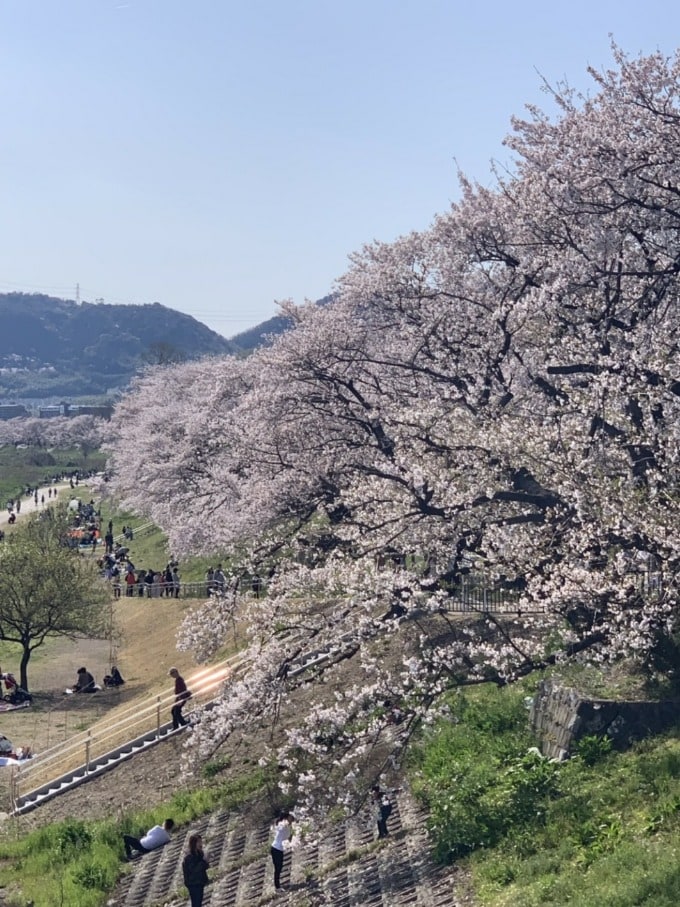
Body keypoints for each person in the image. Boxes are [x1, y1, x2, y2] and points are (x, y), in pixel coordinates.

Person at [182, 832, 210, 907]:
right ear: (194, 843)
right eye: (199, 842)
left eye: (201, 842)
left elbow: (204, 867)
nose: (201, 844)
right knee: (196, 903)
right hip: (193, 883)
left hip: (200, 882)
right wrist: (204, 861)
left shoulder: (199, 853)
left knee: (199, 902)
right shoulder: (189, 857)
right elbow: (194, 870)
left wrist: (206, 861)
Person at [270, 810, 295, 892]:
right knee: (278, 868)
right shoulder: (283, 825)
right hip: (276, 849)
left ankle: (278, 885)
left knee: (279, 868)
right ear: (287, 817)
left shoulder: (286, 826)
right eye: (291, 817)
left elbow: (288, 838)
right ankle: (277, 887)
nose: (292, 819)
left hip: (278, 849)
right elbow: (283, 830)